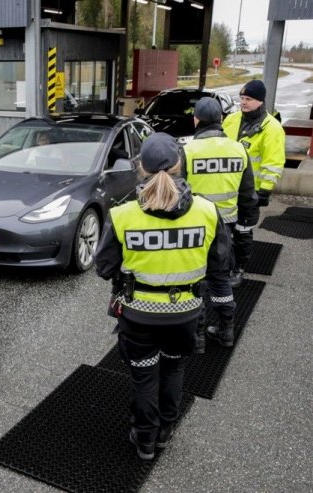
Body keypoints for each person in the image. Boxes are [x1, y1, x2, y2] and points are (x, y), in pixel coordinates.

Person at [95, 133, 235, 460]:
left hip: (138, 315)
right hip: (186, 313)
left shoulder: (123, 214)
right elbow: (220, 265)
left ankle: (145, 440)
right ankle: (165, 432)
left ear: (140, 168)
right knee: (173, 371)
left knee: (145, 376)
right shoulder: (207, 212)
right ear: (179, 166)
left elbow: (104, 267)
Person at [182, 97, 259, 349]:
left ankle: (199, 335)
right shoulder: (238, 149)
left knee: (196, 282)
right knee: (221, 279)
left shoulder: (188, 151)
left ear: (196, 120)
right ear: (221, 120)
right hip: (225, 227)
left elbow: (179, 194)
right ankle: (226, 330)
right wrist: (246, 223)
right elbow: (248, 193)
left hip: (195, 228)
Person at [222, 79, 286, 286]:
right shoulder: (231, 120)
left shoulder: (272, 128)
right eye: (241, 98)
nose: (243, 102)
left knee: (242, 231)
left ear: (260, 100)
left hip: (250, 192)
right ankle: (221, 265)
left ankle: (238, 269)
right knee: (222, 230)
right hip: (226, 188)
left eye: (248, 99)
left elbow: (273, 163)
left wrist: (264, 191)